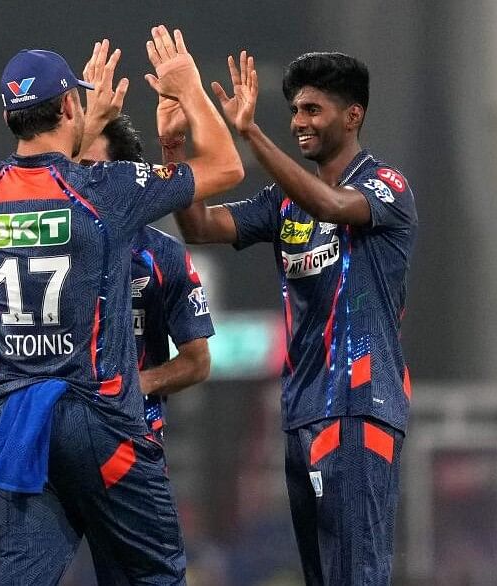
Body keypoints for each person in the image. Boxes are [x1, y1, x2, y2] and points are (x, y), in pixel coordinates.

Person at [0, 28, 243, 585]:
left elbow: (47, 178)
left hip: (10, 421)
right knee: (153, 576)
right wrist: (188, 88)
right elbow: (228, 168)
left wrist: (82, 122)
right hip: (94, 418)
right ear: (69, 103)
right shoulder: (106, 189)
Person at [169, 51, 418, 584]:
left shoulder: (387, 186)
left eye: (312, 109)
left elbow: (332, 205)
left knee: (355, 573)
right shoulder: (285, 204)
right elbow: (199, 228)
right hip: (303, 410)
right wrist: (174, 151)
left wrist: (252, 136)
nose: (300, 121)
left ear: (353, 115)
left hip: (358, 405)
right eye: (294, 110)